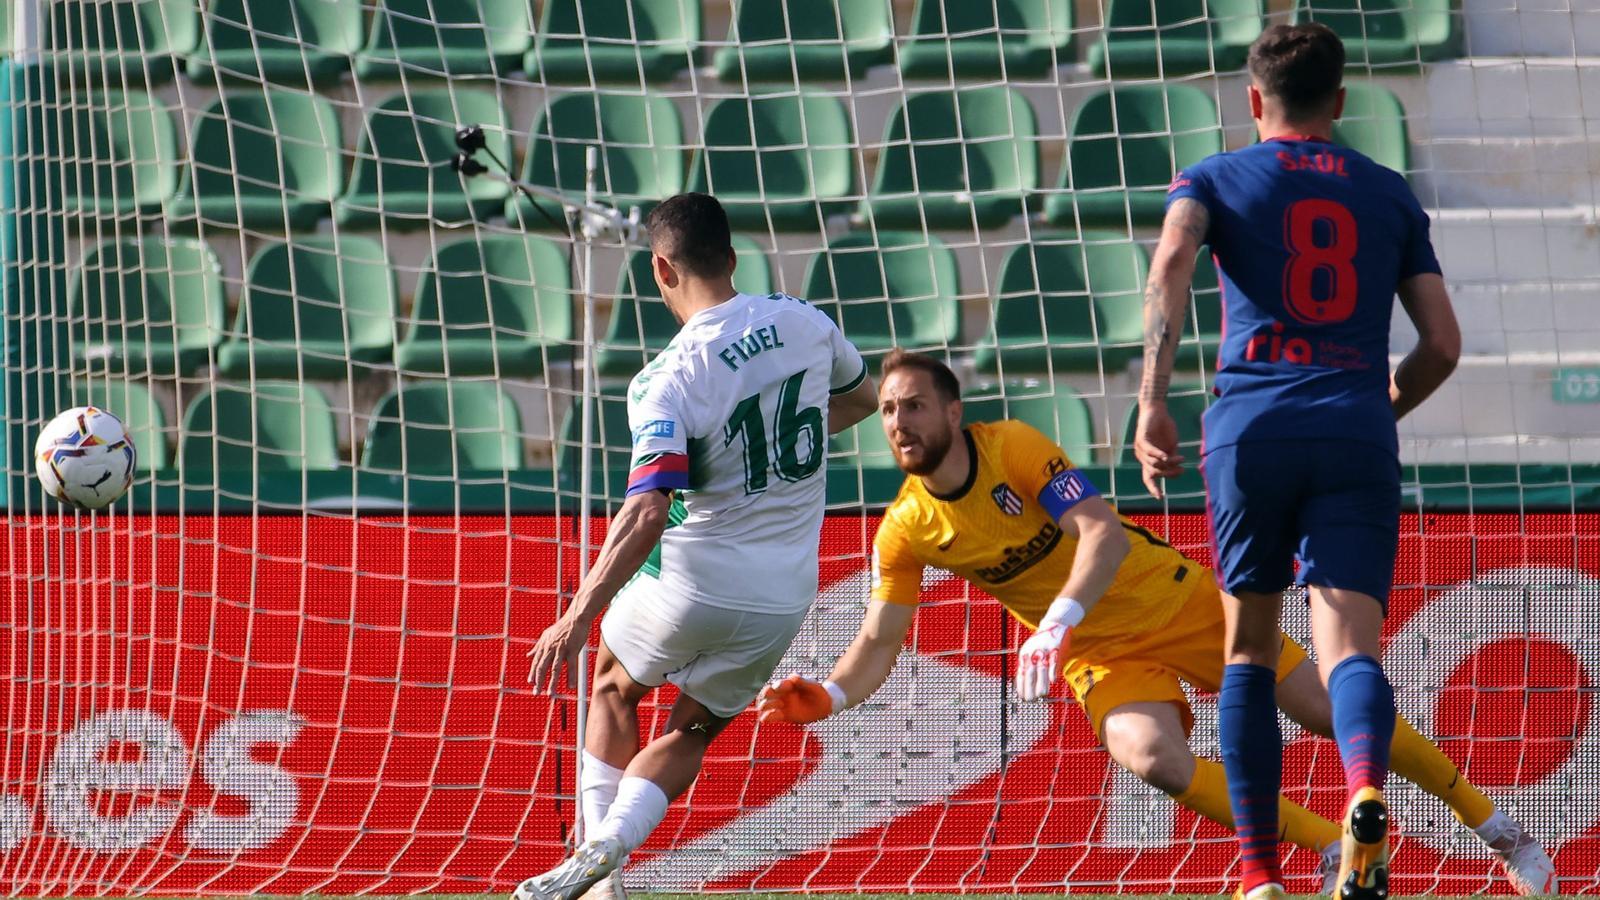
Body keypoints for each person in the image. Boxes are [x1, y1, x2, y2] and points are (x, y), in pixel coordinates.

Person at [760, 351, 1551, 896]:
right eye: (889, 411)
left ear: (953, 411)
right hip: (1100, 653)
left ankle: (1497, 827)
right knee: (1150, 757)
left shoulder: (1013, 449)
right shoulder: (902, 528)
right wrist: (827, 697)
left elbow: (1101, 533)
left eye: (915, 406)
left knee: (1324, 710)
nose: (898, 422)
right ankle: (1329, 849)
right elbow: (879, 640)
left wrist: (1054, 619)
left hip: (1174, 602)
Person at [1133, 22, 1470, 900]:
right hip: (1354, 428)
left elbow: (1171, 258)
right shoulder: (1389, 193)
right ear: (1343, 102)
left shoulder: (1213, 177)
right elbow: (1442, 344)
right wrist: (1376, 408)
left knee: (1248, 649)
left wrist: (1151, 400)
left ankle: (1257, 872)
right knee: (1350, 645)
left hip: (1249, 429)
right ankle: (1365, 787)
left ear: (1254, 101)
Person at [519, 193, 879, 900]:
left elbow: (648, 509)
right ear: (733, 257)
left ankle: (600, 878)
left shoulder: (665, 378)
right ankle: (614, 845)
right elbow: (863, 400)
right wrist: (772, 457)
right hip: (784, 594)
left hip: (696, 577)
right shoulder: (805, 322)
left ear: (660, 269)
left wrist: (577, 615)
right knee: (692, 731)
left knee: (615, 685)